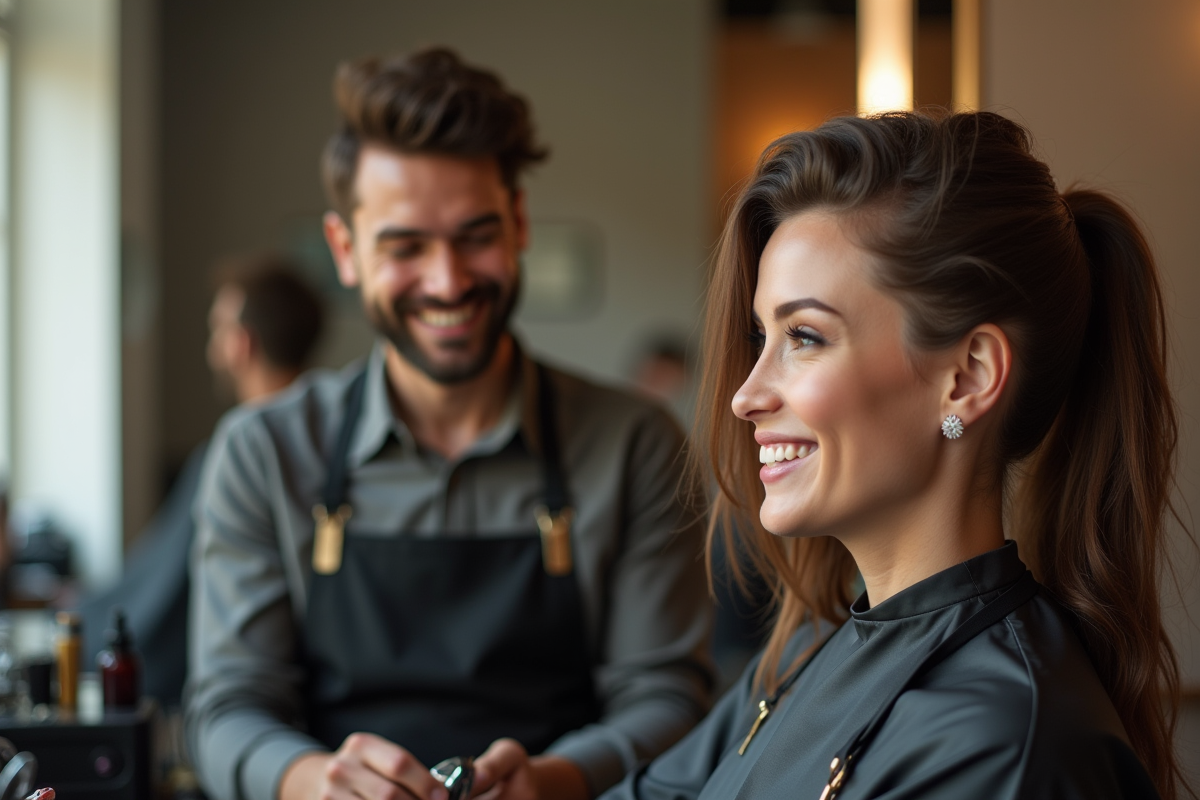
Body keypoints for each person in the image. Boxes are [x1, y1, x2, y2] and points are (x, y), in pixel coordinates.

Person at [600, 111, 1190, 800]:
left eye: (806, 337)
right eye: (762, 335)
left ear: (967, 378)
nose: (746, 396)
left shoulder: (999, 748)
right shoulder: (804, 651)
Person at [185, 48, 712, 800]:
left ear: (519, 221)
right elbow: (227, 708)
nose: (448, 281)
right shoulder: (264, 451)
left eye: (475, 236)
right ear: (346, 250)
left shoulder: (635, 445)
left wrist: (554, 779)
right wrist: (312, 782)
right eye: (405, 247)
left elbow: (667, 699)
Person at [79, 255, 325, 707]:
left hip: (242, 703)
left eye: (217, 330)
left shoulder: (229, 458)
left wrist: (75, 621)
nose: (213, 348)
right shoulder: (337, 446)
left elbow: (153, 605)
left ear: (241, 345)